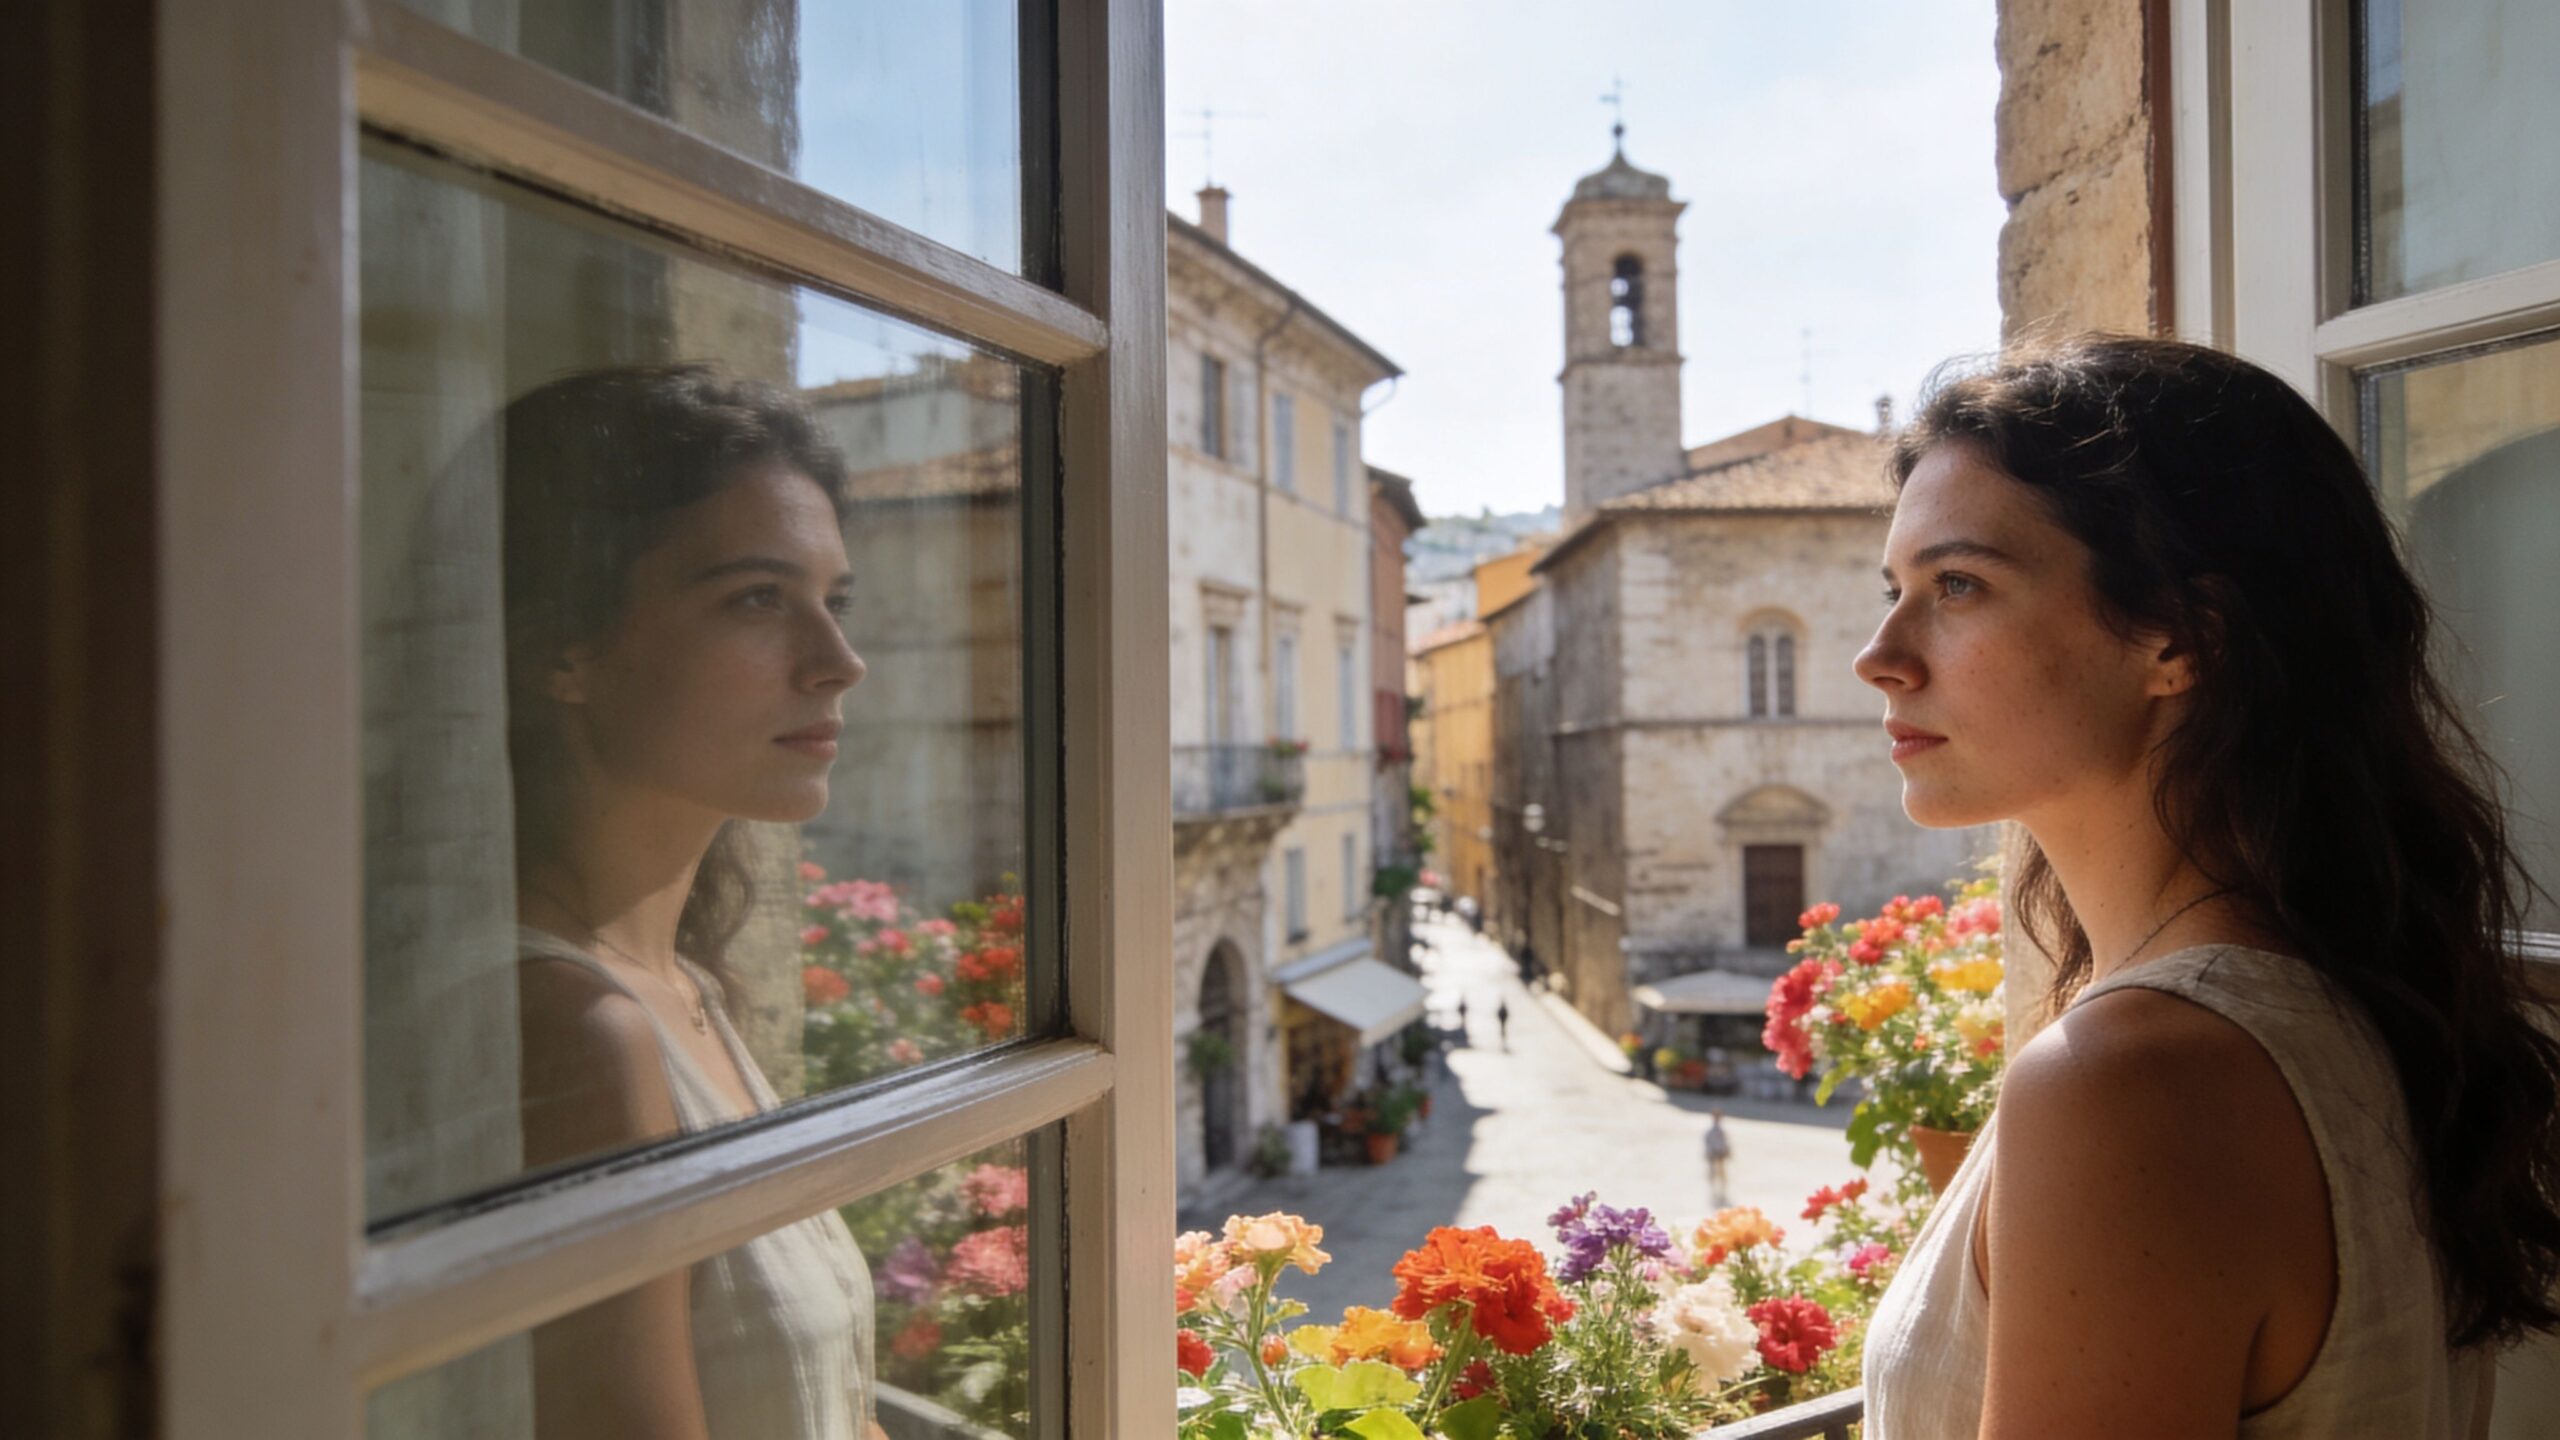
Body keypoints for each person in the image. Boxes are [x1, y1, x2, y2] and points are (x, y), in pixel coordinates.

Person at [1856, 336, 2556, 1439]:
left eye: (1957, 585)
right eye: (1894, 589)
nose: (1880, 655)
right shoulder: (2337, 988)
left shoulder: (2132, 1082)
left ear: (2177, 638)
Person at [503, 365, 886, 1440]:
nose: (839, 662)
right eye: (757, 598)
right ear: (563, 649)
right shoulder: (578, 1034)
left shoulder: (684, 988)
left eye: (834, 600)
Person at [1703, 1109, 1733, 1207]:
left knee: (1722, 1174)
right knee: (1713, 1174)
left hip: (1720, 1155)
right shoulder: (1710, 1131)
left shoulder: (1721, 1130)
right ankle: (1714, 1191)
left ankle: (1722, 1191)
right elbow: (1707, 1143)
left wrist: (1727, 1152)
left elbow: (1726, 1143)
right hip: (1713, 1155)